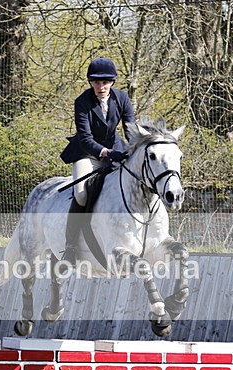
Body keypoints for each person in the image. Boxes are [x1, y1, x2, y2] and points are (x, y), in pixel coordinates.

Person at [59, 57, 136, 266]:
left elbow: (130, 129)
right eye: (96, 82)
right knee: (81, 194)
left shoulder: (122, 98)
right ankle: (70, 246)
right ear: (91, 82)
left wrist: (135, 148)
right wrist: (104, 152)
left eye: (105, 82)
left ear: (112, 82)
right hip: (87, 153)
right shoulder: (82, 102)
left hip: (115, 149)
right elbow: (85, 138)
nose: (101, 87)